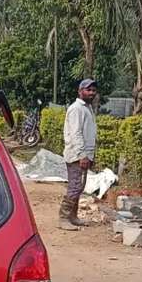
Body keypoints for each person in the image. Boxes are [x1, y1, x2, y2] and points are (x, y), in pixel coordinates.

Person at [58, 79, 98, 231]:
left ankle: (72, 217)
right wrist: (82, 155)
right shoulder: (77, 109)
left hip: (84, 155)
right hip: (77, 155)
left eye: (94, 90)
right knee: (75, 187)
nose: (92, 93)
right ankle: (63, 218)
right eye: (88, 90)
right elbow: (76, 134)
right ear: (80, 91)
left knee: (79, 186)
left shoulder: (87, 108)